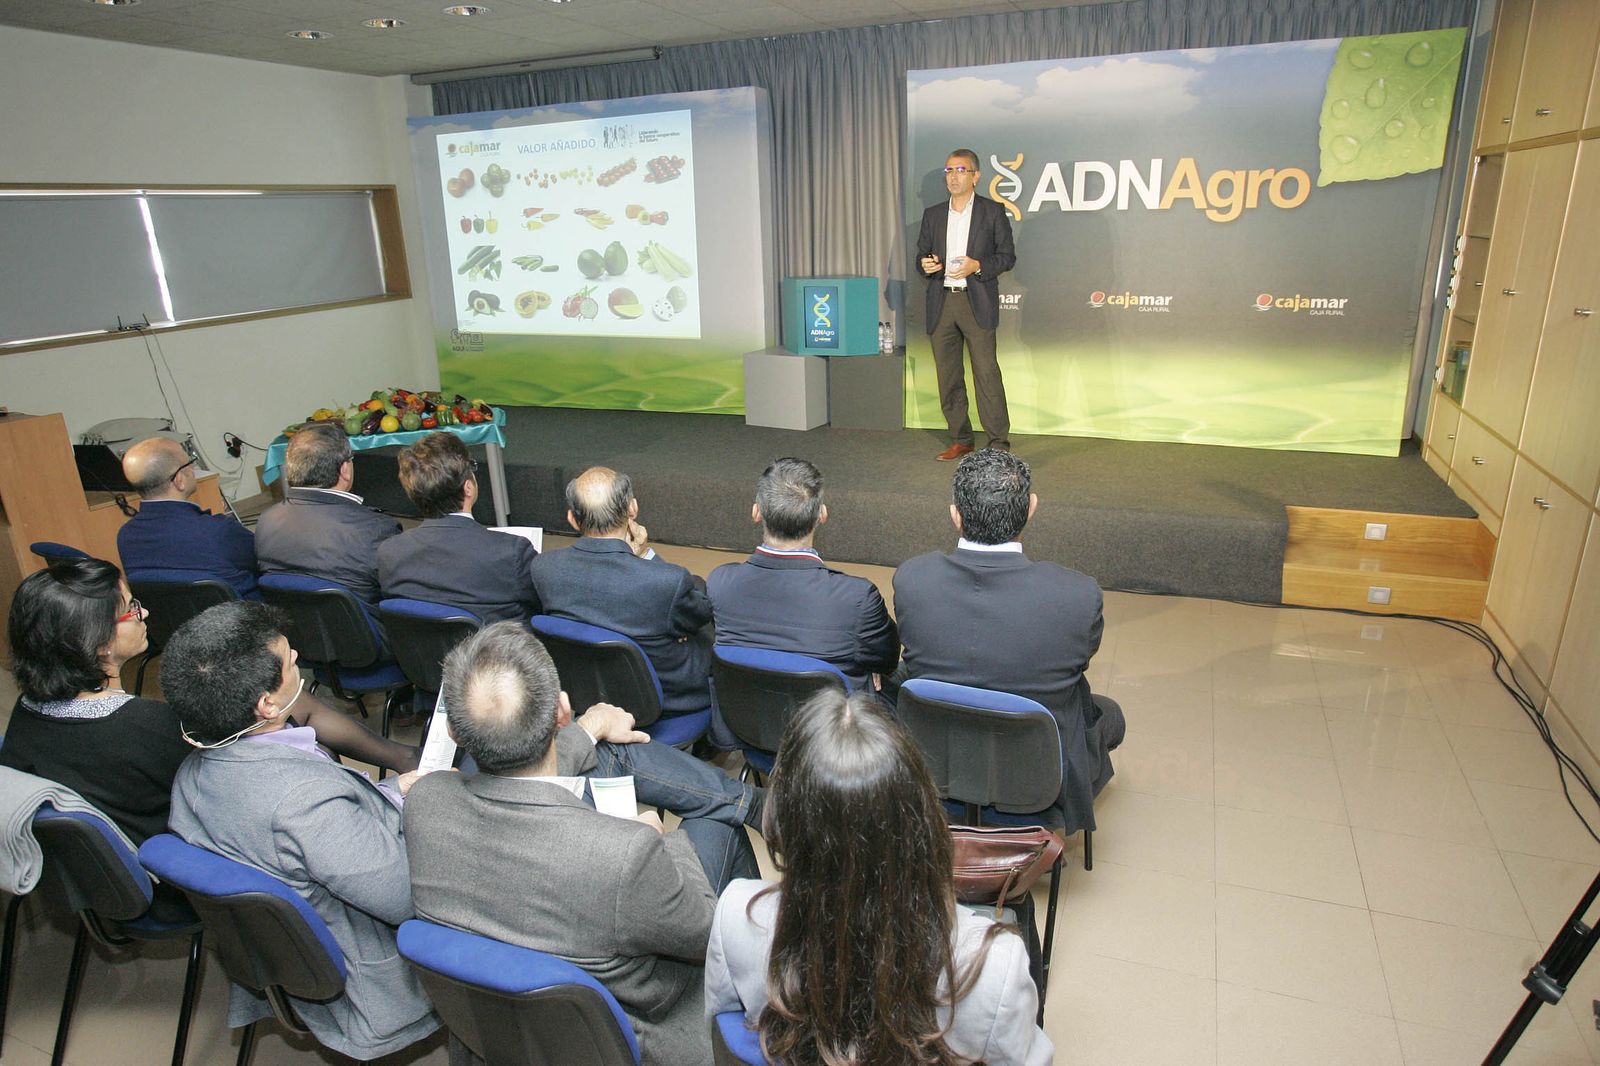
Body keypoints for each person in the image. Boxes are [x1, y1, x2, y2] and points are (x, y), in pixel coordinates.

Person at [407, 623, 751, 1066]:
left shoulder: (424, 801)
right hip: (634, 1032)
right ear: (562, 710)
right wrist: (659, 840)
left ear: (454, 731)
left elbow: (514, 768)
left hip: (502, 1030)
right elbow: (705, 932)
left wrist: (589, 729)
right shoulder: (627, 855)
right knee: (718, 831)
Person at [705, 690, 1052, 1066]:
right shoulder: (993, 969)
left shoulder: (734, 917)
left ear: (783, 824)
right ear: (924, 821)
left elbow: (729, 1045)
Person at [161, 601, 438, 1061]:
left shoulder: (193, 772)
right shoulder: (302, 802)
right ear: (266, 703)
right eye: (290, 662)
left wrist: (392, 793)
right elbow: (410, 896)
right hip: (369, 981)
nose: (298, 666)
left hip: (283, 955)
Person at [0, 560, 420, 848]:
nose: (144, 612)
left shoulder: (26, 711)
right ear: (93, 642)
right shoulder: (147, 726)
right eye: (130, 608)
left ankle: (403, 761)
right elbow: (245, 784)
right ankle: (404, 767)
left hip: (132, 859)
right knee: (289, 710)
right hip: (199, 857)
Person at [893, 449, 1124, 834]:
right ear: (1031, 508)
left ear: (955, 514)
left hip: (937, 761)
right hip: (1035, 774)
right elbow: (1079, 661)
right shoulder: (1077, 595)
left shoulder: (913, 579)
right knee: (1109, 715)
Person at [530, 467, 714, 719]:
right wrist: (646, 556)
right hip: (668, 699)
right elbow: (702, 613)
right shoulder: (667, 581)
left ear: (572, 519)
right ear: (632, 509)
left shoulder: (543, 568)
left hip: (588, 694)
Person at [707, 458, 897, 694]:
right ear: (822, 515)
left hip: (743, 725)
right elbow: (886, 661)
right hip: (827, 728)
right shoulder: (857, 597)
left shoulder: (720, 582)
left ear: (756, 512)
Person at [915, 148, 1017, 460]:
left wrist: (978, 266)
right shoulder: (933, 214)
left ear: (976, 176)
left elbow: (1007, 256)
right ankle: (961, 439)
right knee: (948, 376)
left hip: (976, 303)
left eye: (961, 170)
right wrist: (926, 265)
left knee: (986, 374)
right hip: (942, 302)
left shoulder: (992, 211)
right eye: (949, 170)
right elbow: (921, 257)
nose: (954, 176)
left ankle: (998, 443)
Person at [377, 431, 539, 624]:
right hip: (494, 652)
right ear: (468, 488)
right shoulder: (512, 552)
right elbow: (539, 608)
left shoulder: (389, 552)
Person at [254, 422, 400, 606]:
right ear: (345, 469)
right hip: (362, 632)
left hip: (294, 629)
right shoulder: (376, 529)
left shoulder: (266, 521)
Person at [117, 436, 259, 599]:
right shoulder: (218, 530)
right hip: (245, 618)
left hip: (177, 623)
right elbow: (266, 561)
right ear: (179, 480)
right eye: (189, 463)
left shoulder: (126, 536)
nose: (193, 468)